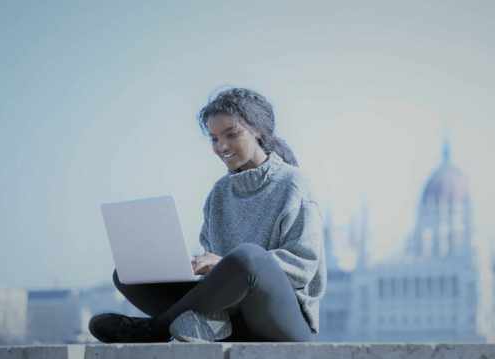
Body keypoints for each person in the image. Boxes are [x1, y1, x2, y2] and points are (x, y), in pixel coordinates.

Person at [88, 87, 327, 342]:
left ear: (258, 130)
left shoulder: (292, 183)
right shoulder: (219, 194)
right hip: (229, 319)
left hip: (281, 322)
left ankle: (157, 329)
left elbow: (303, 265)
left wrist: (225, 263)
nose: (221, 146)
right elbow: (217, 270)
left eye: (231, 134)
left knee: (248, 258)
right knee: (130, 273)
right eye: (214, 138)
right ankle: (193, 324)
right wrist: (192, 267)